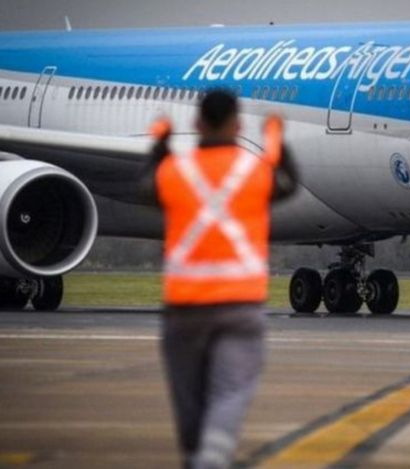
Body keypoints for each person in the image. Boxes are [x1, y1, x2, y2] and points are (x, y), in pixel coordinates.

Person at [143, 89, 297, 469]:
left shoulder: (175, 171)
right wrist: (275, 137)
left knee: (189, 401)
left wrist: (160, 143)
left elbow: (147, 186)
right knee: (229, 392)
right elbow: (288, 180)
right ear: (237, 124)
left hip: (184, 311)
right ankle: (212, 457)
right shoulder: (253, 171)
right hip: (240, 307)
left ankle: (199, 456)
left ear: (196, 123)